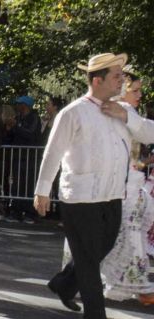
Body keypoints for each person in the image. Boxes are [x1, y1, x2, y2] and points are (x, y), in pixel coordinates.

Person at [34, 53, 154, 319]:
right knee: (88, 255)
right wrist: (42, 191)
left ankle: (64, 284)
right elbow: (52, 154)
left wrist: (126, 116)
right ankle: (95, 313)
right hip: (80, 195)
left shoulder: (124, 111)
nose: (121, 81)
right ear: (98, 80)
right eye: (116, 76)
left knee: (104, 246)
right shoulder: (73, 112)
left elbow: (149, 134)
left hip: (113, 194)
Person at [64, 68, 154, 305]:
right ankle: (131, 285)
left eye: (140, 90)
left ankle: (132, 285)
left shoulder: (127, 112)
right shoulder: (107, 109)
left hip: (129, 186)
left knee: (122, 237)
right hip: (110, 189)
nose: (140, 94)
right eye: (135, 90)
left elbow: (143, 139)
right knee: (106, 241)